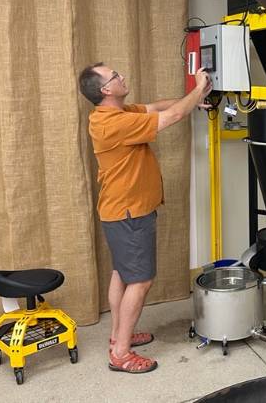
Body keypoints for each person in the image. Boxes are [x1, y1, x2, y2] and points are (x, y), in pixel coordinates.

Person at [78, 63, 212, 373]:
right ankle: (121, 354)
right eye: (115, 76)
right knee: (140, 280)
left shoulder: (117, 114)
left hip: (119, 211)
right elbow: (174, 116)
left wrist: (194, 97)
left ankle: (117, 337)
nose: (122, 76)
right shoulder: (114, 124)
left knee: (122, 274)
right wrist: (196, 88)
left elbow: (157, 107)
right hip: (130, 213)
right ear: (105, 90)